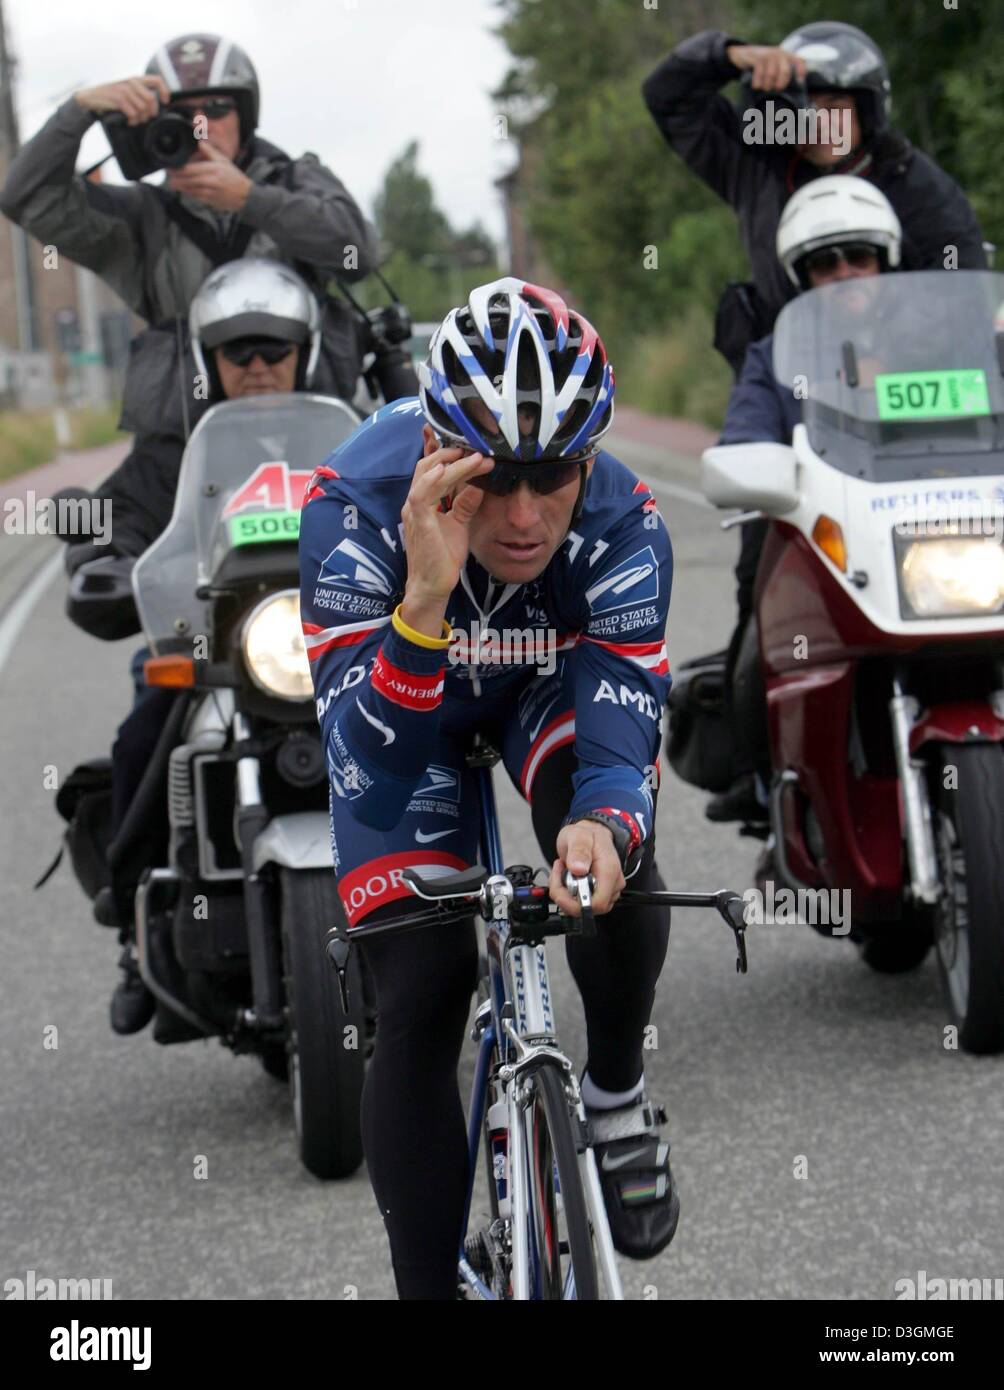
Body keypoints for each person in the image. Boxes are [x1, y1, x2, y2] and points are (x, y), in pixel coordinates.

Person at [299, 278, 678, 1299]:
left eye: (551, 477)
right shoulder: (350, 507)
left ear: (587, 463)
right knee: (420, 987)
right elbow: (369, 776)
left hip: (542, 687)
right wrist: (424, 599)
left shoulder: (625, 521)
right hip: (407, 702)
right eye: (493, 476)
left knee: (615, 873)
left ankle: (615, 1094)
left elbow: (618, 733)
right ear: (436, 448)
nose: (521, 515)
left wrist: (604, 823)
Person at [67, 258, 326, 1035]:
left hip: (330, 646)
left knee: (443, 721)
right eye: (237, 350)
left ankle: (460, 895)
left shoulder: (354, 437)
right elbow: (112, 517)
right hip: (211, 649)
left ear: (305, 350)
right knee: (143, 733)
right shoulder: (169, 451)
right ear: (208, 358)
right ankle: (133, 922)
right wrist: (97, 551)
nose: (257, 365)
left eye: (274, 348)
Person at [0, 31, 378, 436]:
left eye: (216, 109)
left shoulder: (297, 181)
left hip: (314, 434)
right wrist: (78, 111)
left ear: (244, 117)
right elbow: (25, 198)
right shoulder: (139, 215)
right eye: (181, 113)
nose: (200, 127)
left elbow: (358, 254)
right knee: (106, 482)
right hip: (184, 448)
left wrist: (251, 200)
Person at [707, 176, 901, 827]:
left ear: (884, 263)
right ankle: (765, 779)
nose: (845, 274)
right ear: (802, 276)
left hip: (923, 537)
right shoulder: (773, 357)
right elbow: (743, 438)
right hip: (820, 540)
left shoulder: (932, 346)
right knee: (756, 639)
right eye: (825, 262)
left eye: (859, 257)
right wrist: (753, 465)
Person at [641, 20, 986, 375]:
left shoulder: (911, 181)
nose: (818, 122)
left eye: (834, 105)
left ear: (866, 109)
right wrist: (728, 55)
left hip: (908, 378)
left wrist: (891, 361)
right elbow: (667, 98)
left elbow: (964, 285)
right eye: (803, 108)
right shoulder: (754, 164)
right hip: (786, 381)